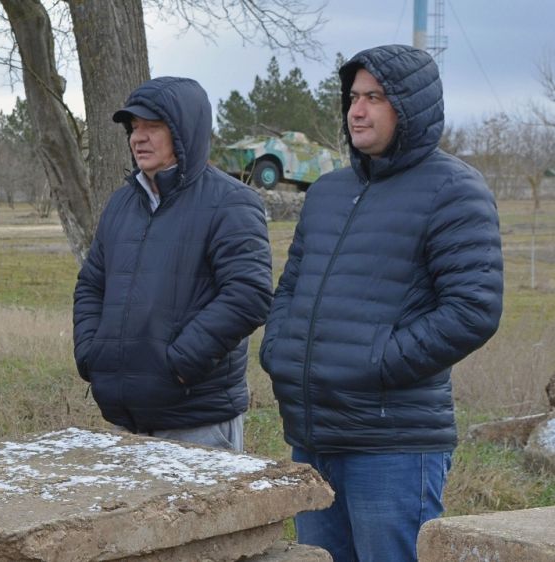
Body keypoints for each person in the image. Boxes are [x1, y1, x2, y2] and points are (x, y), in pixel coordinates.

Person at [259, 45, 504, 562]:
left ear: (410, 107)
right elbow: (290, 288)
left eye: (374, 97)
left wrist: (376, 362)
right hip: (314, 434)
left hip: (393, 444)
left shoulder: (454, 190)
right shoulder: (326, 192)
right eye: (353, 97)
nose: (357, 110)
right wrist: (278, 351)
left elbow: (472, 310)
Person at [72, 76, 273, 451]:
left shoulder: (231, 202)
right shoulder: (121, 204)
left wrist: (178, 365)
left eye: (153, 127)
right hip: (127, 423)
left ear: (184, 131)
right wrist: (91, 355)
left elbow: (249, 294)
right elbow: (91, 285)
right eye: (134, 128)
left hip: (198, 422)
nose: (138, 137)